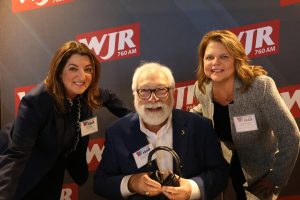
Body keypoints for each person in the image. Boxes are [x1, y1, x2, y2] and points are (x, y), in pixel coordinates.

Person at [0, 40, 131, 200]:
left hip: (54, 170)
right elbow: (16, 154)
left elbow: (110, 98)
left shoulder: (87, 92)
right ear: (59, 71)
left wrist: (138, 123)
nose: (82, 76)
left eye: (88, 69)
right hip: (24, 174)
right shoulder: (36, 101)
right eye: (73, 69)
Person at [93, 62, 229, 200]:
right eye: (144, 91)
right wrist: (131, 182)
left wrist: (191, 188)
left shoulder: (200, 126)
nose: (153, 98)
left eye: (161, 90)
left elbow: (220, 173)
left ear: (172, 93)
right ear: (135, 95)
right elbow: (101, 182)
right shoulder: (117, 133)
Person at [191, 30, 300, 200]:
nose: (215, 63)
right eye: (209, 57)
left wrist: (276, 177)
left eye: (224, 57)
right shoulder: (202, 88)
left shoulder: (260, 87)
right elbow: (204, 109)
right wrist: (182, 120)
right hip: (227, 164)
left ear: (236, 59)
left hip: (261, 170)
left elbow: (290, 135)